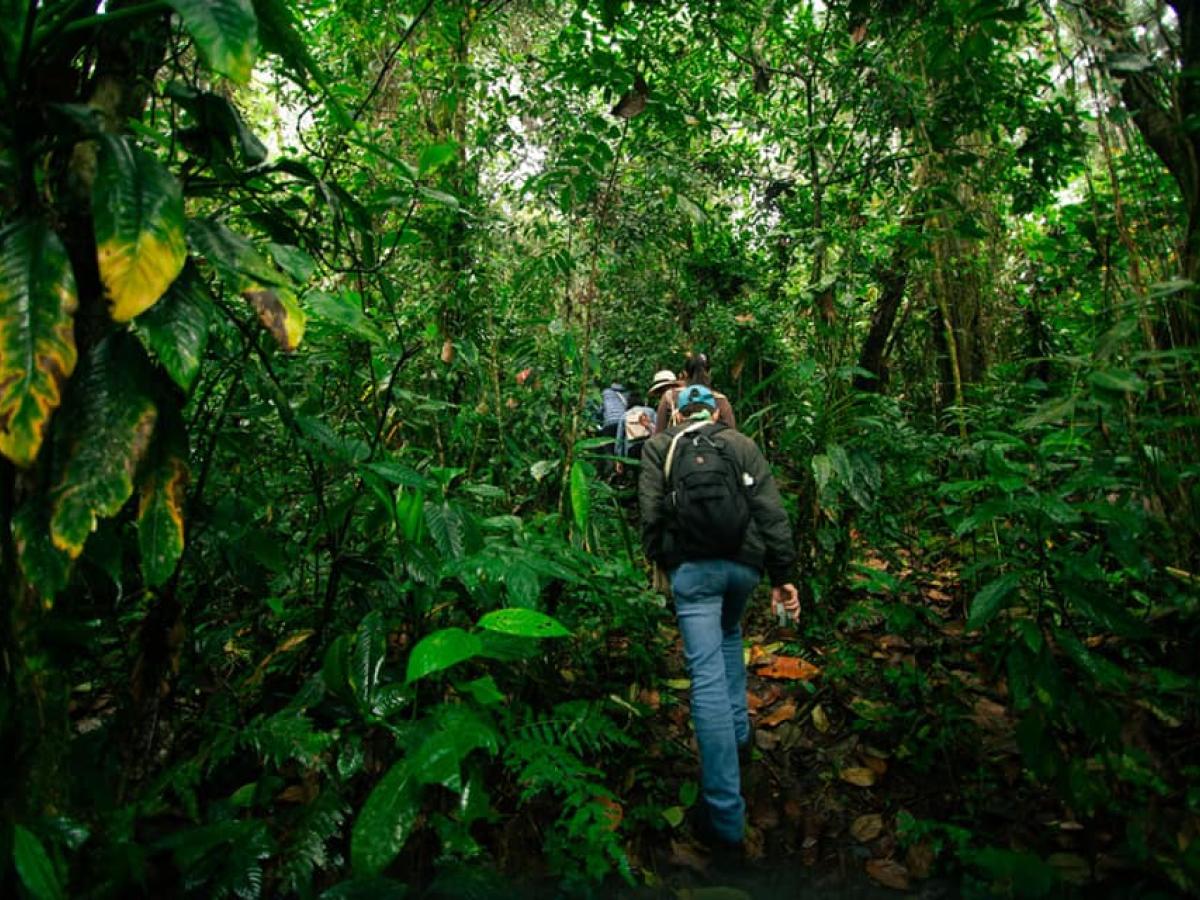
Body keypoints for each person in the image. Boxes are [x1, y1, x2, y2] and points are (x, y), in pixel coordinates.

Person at [638, 384, 799, 852]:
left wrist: (663, 561)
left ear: (678, 412)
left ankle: (725, 818)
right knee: (730, 632)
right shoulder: (741, 444)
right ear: (714, 412)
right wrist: (782, 575)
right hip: (742, 569)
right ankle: (741, 732)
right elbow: (771, 512)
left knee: (704, 677)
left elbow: (650, 514)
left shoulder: (660, 446)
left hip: (692, 571)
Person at [655, 353, 737, 432]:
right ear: (710, 372)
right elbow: (732, 435)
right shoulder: (720, 400)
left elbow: (659, 432)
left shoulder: (671, 396)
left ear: (685, 373)